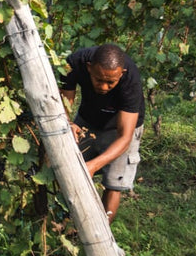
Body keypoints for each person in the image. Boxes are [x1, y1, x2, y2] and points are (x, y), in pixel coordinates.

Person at [59, 43, 145, 224]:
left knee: (114, 183)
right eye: (99, 80)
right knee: (67, 165)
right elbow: (64, 104)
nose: (104, 87)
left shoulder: (130, 80)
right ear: (89, 68)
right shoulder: (74, 63)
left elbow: (125, 137)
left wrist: (93, 165)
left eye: (111, 82)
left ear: (121, 74)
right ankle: (67, 222)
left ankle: (101, 234)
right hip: (88, 120)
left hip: (120, 129)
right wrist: (69, 123)